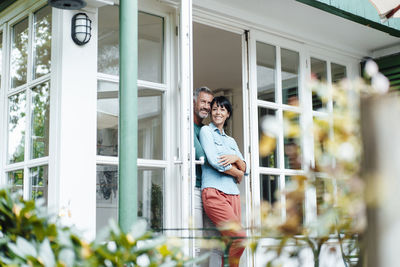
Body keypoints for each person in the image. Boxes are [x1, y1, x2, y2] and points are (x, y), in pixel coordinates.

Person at [200, 96, 247, 267]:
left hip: (233, 194)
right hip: (214, 193)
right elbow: (215, 161)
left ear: (228, 114)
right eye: (214, 109)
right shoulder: (206, 132)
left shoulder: (231, 141)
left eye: (222, 109)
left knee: (231, 242)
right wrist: (237, 173)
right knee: (239, 237)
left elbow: (245, 167)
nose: (217, 112)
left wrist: (235, 158)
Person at [193, 87, 223, 266]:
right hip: (194, 188)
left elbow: (221, 153)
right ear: (195, 102)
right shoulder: (188, 125)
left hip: (210, 189)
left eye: (209, 103)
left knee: (216, 240)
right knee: (196, 242)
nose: (206, 106)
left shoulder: (206, 130)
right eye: (203, 101)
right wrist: (234, 168)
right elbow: (203, 156)